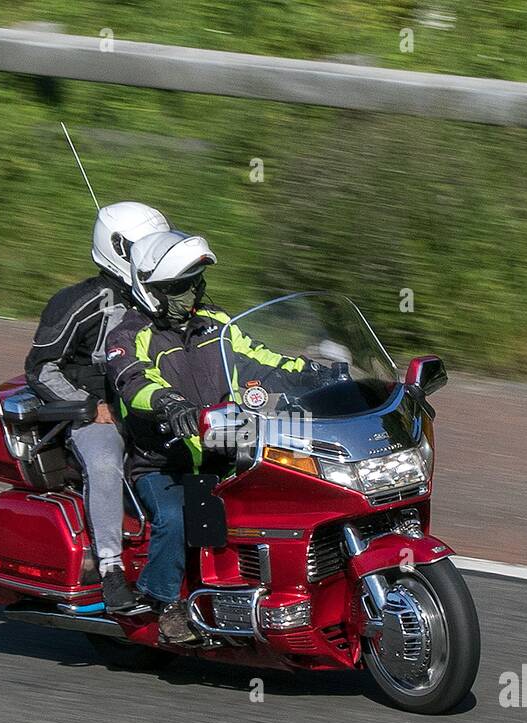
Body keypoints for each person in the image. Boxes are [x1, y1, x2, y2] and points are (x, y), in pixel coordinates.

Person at [105, 230, 319, 642]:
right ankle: (163, 602)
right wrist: (169, 402)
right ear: (153, 291)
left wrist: (309, 370)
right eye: (182, 287)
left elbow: (261, 356)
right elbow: (132, 379)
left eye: (196, 283)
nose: (193, 293)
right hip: (164, 463)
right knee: (175, 517)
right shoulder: (129, 335)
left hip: (227, 449)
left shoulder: (217, 322)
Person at [25, 202, 170, 613]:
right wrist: (90, 406)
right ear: (120, 248)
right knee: (106, 461)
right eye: (147, 248)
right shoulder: (79, 300)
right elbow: (40, 367)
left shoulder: (160, 298)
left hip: (148, 405)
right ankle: (111, 571)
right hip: (93, 413)